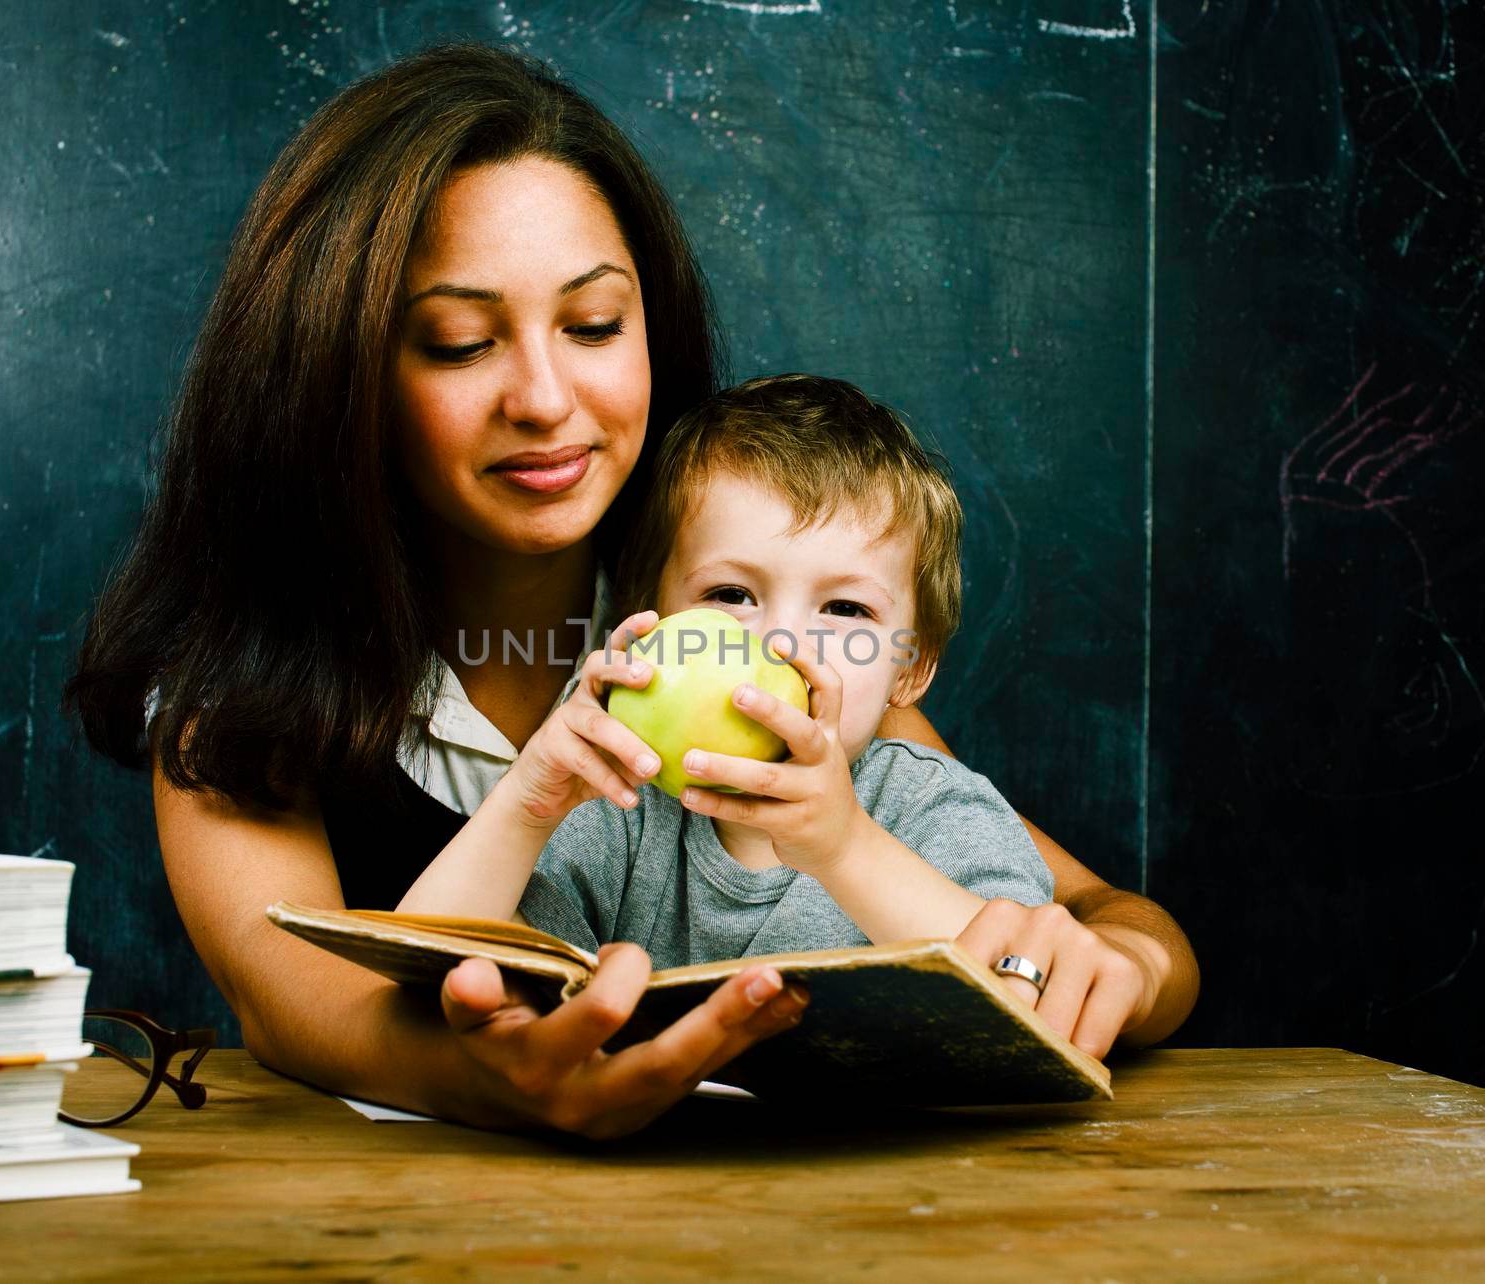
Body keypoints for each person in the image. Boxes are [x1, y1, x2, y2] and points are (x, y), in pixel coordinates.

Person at [67, 43, 1197, 1138]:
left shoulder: (754, 618)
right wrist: (515, 1086)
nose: (546, 398)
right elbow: (302, 1006)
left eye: (595, 325)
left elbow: (1101, 916)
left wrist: (1123, 970)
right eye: (461, 344)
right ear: (338, 373)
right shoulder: (242, 683)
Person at [399, 373, 1059, 975]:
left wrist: (841, 847)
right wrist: (525, 807)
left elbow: (1030, 994)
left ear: (909, 670)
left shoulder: (934, 810)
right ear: (650, 623)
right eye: (730, 595)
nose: (779, 641)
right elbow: (428, 967)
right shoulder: (620, 810)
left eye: (845, 608)